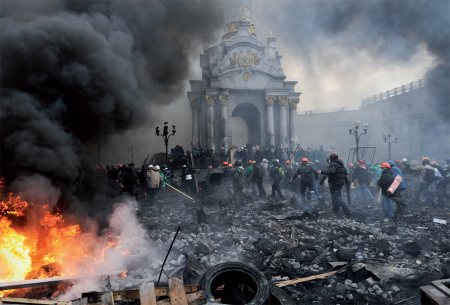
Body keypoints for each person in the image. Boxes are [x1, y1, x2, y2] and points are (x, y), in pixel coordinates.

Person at [320, 152, 353, 217]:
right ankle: (336, 211)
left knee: (338, 198)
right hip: (339, 183)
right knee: (334, 197)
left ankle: (348, 212)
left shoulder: (331, 165)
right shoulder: (341, 164)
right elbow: (345, 173)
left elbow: (328, 173)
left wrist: (321, 180)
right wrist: (346, 181)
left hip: (334, 183)